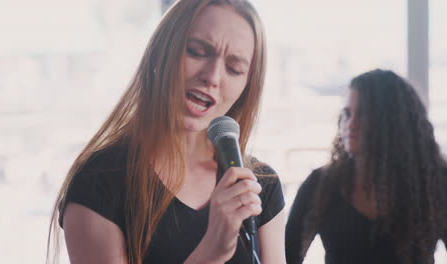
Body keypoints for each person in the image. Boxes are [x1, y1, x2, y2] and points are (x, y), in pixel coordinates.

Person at [46, 0, 286, 263]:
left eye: (234, 69)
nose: (213, 76)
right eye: (196, 51)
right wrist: (211, 251)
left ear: (246, 87)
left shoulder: (260, 186)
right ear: (162, 51)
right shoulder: (98, 182)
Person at [285, 69, 447, 264]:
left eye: (363, 115)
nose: (350, 124)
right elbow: (285, 256)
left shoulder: (435, 183)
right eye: (347, 114)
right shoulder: (321, 183)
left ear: (391, 121)